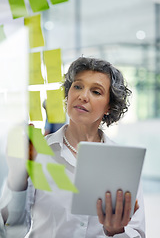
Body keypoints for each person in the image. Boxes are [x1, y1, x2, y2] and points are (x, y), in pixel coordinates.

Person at [0, 57, 145, 238]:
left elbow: (137, 233)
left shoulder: (123, 164)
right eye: (77, 86)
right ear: (67, 94)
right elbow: (11, 232)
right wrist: (17, 178)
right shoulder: (37, 153)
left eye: (96, 92)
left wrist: (116, 232)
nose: (82, 96)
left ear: (109, 106)